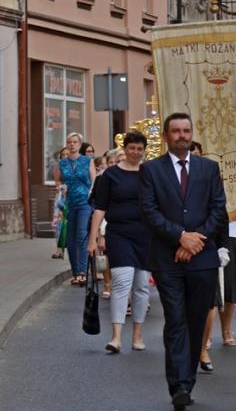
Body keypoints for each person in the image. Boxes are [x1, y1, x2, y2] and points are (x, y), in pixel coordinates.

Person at [139, 112, 227, 410]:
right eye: (176, 131)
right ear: (166, 136)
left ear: (192, 134)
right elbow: (149, 212)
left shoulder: (209, 168)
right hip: (167, 260)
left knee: (195, 320)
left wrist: (195, 241)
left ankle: (187, 379)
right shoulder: (151, 170)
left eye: (186, 131)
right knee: (176, 319)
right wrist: (180, 237)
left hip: (202, 259)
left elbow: (218, 209)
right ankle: (179, 385)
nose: (182, 136)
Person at [88, 130, 151, 353]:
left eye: (139, 149)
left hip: (145, 235)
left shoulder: (149, 173)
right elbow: (100, 208)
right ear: (124, 149)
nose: (135, 152)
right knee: (122, 282)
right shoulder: (110, 175)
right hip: (119, 233)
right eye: (131, 148)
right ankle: (116, 337)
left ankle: (137, 335)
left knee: (141, 286)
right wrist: (94, 238)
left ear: (144, 151)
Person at [54, 132, 96, 285]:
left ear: (80, 144)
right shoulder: (61, 163)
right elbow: (58, 181)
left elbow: (94, 182)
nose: (72, 145)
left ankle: (82, 272)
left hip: (85, 203)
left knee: (82, 234)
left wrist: (94, 200)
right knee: (70, 238)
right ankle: (75, 272)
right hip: (68, 204)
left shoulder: (87, 161)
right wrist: (61, 187)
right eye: (69, 142)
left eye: (75, 142)